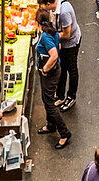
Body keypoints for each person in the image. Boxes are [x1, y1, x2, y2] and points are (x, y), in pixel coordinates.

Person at [38, 0, 81, 111]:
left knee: (71, 69)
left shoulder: (64, 12)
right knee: (62, 68)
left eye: (43, 7)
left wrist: (51, 37)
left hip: (71, 42)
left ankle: (71, 96)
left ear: (48, 4)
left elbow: (67, 34)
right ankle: (60, 95)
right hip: (61, 42)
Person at [34, 8, 70, 148]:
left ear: (38, 22)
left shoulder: (45, 36)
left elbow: (54, 54)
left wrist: (45, 69)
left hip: (50, 73)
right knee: (46, 99)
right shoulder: (52, 31)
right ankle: (50, 125)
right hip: (54, 71)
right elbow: (59, 46)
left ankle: (64, 133)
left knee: (49, 103)